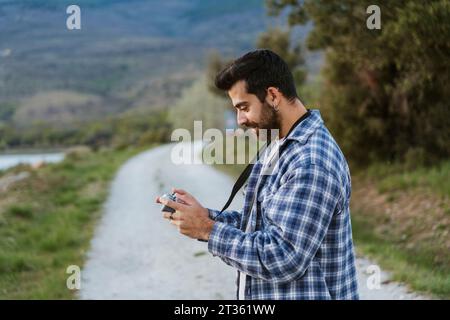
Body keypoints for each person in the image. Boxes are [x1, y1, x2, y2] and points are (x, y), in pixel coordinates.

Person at [156, 49, 359, 300]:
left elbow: (284, 257)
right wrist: (204, 216)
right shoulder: (280, 145)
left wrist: (207, 230)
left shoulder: (311, 161)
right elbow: (262, 226)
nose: (240, 120)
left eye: (244, 107)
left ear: (273, 95)